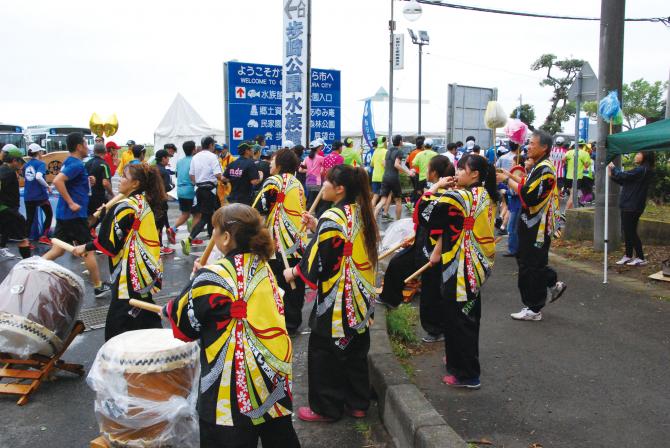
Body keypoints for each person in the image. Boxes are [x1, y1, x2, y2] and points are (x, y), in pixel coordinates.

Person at [164, 204, 300, 448]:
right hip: (271, 369)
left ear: (226, 238)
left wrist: (195, 279)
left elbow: (185, 324)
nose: (212, 235)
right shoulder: (263, 266)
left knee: (228, 435)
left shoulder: (212, 277)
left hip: (230, 379)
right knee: (277, 434)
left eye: (214, 229)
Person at [283, 164, 379, 422]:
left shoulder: (332, 218)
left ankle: (326, 407)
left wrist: (294, 271)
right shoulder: (361, 211)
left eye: (327, 182)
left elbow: (319, 259)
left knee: (324, 351)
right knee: (355, 349)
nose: (321, 185)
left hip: (337, 298)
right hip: (360, 295)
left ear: (339, 189)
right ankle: (358, 403)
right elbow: (340, 246)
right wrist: (316, 227)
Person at [425, 153, 498, 389]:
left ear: (474, 174)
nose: (456, 174)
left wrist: (437, 187)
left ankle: (467, 374)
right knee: (467, 316)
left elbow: (426, 213)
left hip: (461, 265)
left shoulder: (459, 197)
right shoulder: (483, 194)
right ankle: (458, 360)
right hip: (476, 265)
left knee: (459, 318)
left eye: (461, 170)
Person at [73, 163, 165, 341]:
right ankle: (161, 349)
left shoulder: (125, 206)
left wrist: (84, 247)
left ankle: (114, 360)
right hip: (143, 269)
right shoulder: (141, 202)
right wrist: (108, 214)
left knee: (118, 322)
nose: (120, 180)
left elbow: (109, 244)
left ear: (135, 184)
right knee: (144, 312)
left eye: (124, 177)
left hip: (129, 273)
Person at [497, 130, 567, 321]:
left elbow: (529, 194)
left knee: (532, 266)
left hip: (538, 226)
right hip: (531, 224)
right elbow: (528, 186)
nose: (528, 146)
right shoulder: (539, 167)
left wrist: (507, 180)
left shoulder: (546, 169)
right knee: (527, 260)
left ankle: (534, 308)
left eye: (532, 144)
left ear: (544, 147)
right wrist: (509, 175)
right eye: (528, 143)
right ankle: (552, 284)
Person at [43, 132, 110, 297]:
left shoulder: (71, 162)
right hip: (74, 215)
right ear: (79, 146)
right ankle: (98, 286)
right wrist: (72, 203)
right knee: (88, 250)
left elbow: (72, 182)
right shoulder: (77, 164)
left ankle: (33, 268)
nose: (88, 147)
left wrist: (89, 181)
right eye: (86, 144)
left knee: (58, 250)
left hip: (64, 215)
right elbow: (58, 181)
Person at [252, 148, 307, 334]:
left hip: (277, 242)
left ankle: (281, 321)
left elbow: (258, 211)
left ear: (280, 164)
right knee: (295, 284)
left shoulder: (274, 181)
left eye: (273, 160)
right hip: (297, 242)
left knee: (277, 282)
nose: (269, 163)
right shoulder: (297, 184)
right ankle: (293, 321)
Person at [608, 151, 655, 266]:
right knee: (628, 231)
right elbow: (626, 182)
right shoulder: (643, 170)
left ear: (645, 156)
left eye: (638, 153)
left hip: (631, 204)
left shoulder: (641, 170)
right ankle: (628, 255)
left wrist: (613, 168)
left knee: (630, 231)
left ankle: (640, 257)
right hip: (632, 204)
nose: (636, 155)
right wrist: (612, 176)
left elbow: (624, 176)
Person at [182, 136, 222, 255]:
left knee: (212, 216)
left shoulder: (196, 157)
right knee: (207, 217)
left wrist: (199, 182)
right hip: (210, 190)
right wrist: (226, 180)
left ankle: (212, 241)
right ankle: (189, 239)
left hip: (199, 190)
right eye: (213, 145)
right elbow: (218, 174)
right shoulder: (212, 156)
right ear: (210, 145)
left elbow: (191, 176)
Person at [0, 147, 31, 259]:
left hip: (7, 209)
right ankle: (29, 263)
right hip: (7, 209)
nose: (20, 164)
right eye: (19, 161)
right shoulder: (7, 173)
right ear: (14, 161)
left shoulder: (4, 170)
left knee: (8, 231)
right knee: (23, 237)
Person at [376, 134, 415, 221]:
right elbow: (396, 164)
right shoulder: (399, 152)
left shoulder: (388, 151)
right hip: (394, 178)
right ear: (400, 141)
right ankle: (398, 222)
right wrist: (408, 172)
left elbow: (384, 163)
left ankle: (373, 222)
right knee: (398, 200)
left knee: (382, 201)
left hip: (385, 176)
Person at [23, 143, 53, 245]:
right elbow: (38, 177)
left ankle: (26, 241)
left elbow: (26, 177)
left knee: (29, 219)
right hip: (40, 196)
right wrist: (47, 186)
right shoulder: (41, 164)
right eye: (41, 152)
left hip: (28, 196)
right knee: (49, 214)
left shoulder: (26, 165)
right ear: (38, 153)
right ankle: (44, 236)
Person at [85, 143, 114, 231]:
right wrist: (111, 194)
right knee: (103, 217)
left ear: (94, 151)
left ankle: (87, 233)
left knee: (91, 216)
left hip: (87, 194)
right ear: (105, 152)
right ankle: (90, 234)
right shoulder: (104, 165)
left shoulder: (87, 163)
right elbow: (105, 182)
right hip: (99, 195)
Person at [172, 140, 196, 235]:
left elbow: (177, 175)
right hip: (190, 190)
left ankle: (173, 229)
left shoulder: (179, 161)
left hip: (180, 191)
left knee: (185, 214)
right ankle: (193, 237)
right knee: (197, 215)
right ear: (193, 150)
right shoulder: (194, 160)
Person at [154, 149, 175, 255]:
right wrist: (173, 186)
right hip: (161, 200)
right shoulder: (164, 171)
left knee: (155, 223)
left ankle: (156, 244)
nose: (168, 160)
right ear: (163, 158)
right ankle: (160, 246)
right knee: (159, 224)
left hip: (151, 200)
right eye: (167, 157)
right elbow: (167, 187)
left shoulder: (152, 169)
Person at [563, 140, 591, 209]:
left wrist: (568, 163)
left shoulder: (569, 152)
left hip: (568, 177)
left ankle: (570, 212)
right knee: (573, 196)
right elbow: (586, 165)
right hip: (577, 177)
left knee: (572, 195)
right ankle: (565, 212)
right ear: (583, 145)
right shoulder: (585, 153)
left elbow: (563, 159)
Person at [304, 141, 325, 209]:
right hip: (316, 182)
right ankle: (306, 214)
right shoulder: (321, 158)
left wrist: (309, 171)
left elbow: (300, 169)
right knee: (315, 201)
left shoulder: (306, 158)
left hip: (308, 181)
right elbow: (322, 171)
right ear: (318, 148)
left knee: (311, 198)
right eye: (320, 147)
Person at [370, 136, 387, 207]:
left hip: (375, 177)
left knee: (375, 197)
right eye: (386, 141)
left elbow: (372, 164)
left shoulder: (375, 151)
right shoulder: (386, 151)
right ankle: (383, 213)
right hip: (383, 177)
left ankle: (370, 213)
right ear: (383, 142)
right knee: (385, 197)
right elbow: (384, 164)